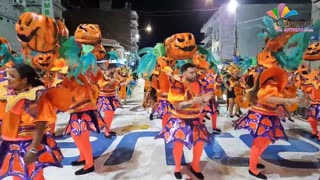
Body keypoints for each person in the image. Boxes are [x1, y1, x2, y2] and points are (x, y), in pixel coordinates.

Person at [234, 67, 309, 179]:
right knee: (259, 142)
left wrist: (291, 101)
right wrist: (288, 101)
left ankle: (255, 160)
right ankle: (252, 168)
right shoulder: (269, 85)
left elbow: (276, 100)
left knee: (267, 140)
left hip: (270, 116)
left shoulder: (275, 86)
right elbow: (267, 98)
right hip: (261, 116)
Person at [0, 64, 71, 180]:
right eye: (7, 75)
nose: (8, 78)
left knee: (34, 176)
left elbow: (40, 125)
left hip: (29, 144)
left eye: (12, 76)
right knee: (19, 175)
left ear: (24, 80)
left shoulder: (37, 96)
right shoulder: (5, 93)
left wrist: (33, 149)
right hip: (10, 143)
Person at [156, 63, 212, 180]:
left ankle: (195, 166)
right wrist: (193, 102)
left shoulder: (199, 83)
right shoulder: (178, 84)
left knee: (200, 143)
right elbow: (178, 105)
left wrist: (204, 101)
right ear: (184, 73)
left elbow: (202, 101)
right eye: (191, 72)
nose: (194, 74)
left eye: (195, 72)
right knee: (178, 144)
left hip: (195, 118)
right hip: (180, 119)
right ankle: (177, 167)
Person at [96, 63, 121, 138]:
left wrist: (124, 82)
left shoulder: (113, 75)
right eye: (114, 69)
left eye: (115, 69)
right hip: (105, 98)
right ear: (109, 69)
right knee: (107, 115)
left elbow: (117, 85)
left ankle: (108, 129)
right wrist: (113, 79)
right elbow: (106, 86)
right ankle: (106, 131)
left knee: (110, 115)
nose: (115, 70)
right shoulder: (103, 75)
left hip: (111, 97)